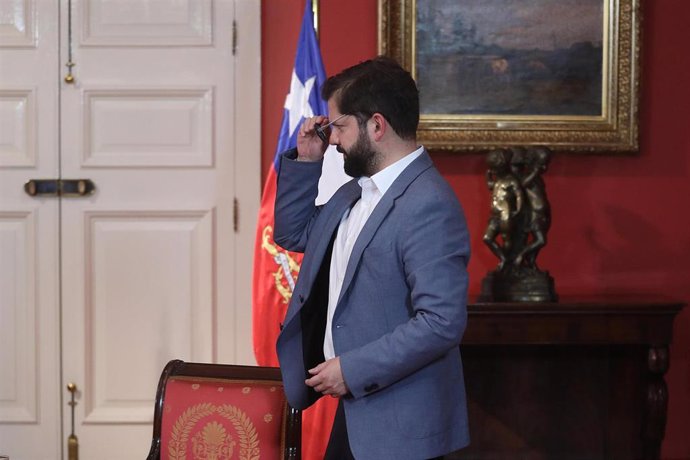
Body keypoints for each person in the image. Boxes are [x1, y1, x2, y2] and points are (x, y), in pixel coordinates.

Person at [273, 56, 470, 460]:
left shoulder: (428, 203)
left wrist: (352, 369)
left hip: (400, 424)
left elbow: (441, 322)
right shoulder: (354, 192)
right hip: (360, 412)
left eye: (339, 126)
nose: (333, 139)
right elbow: (292, 234)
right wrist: (307, 161)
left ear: (376, 126)